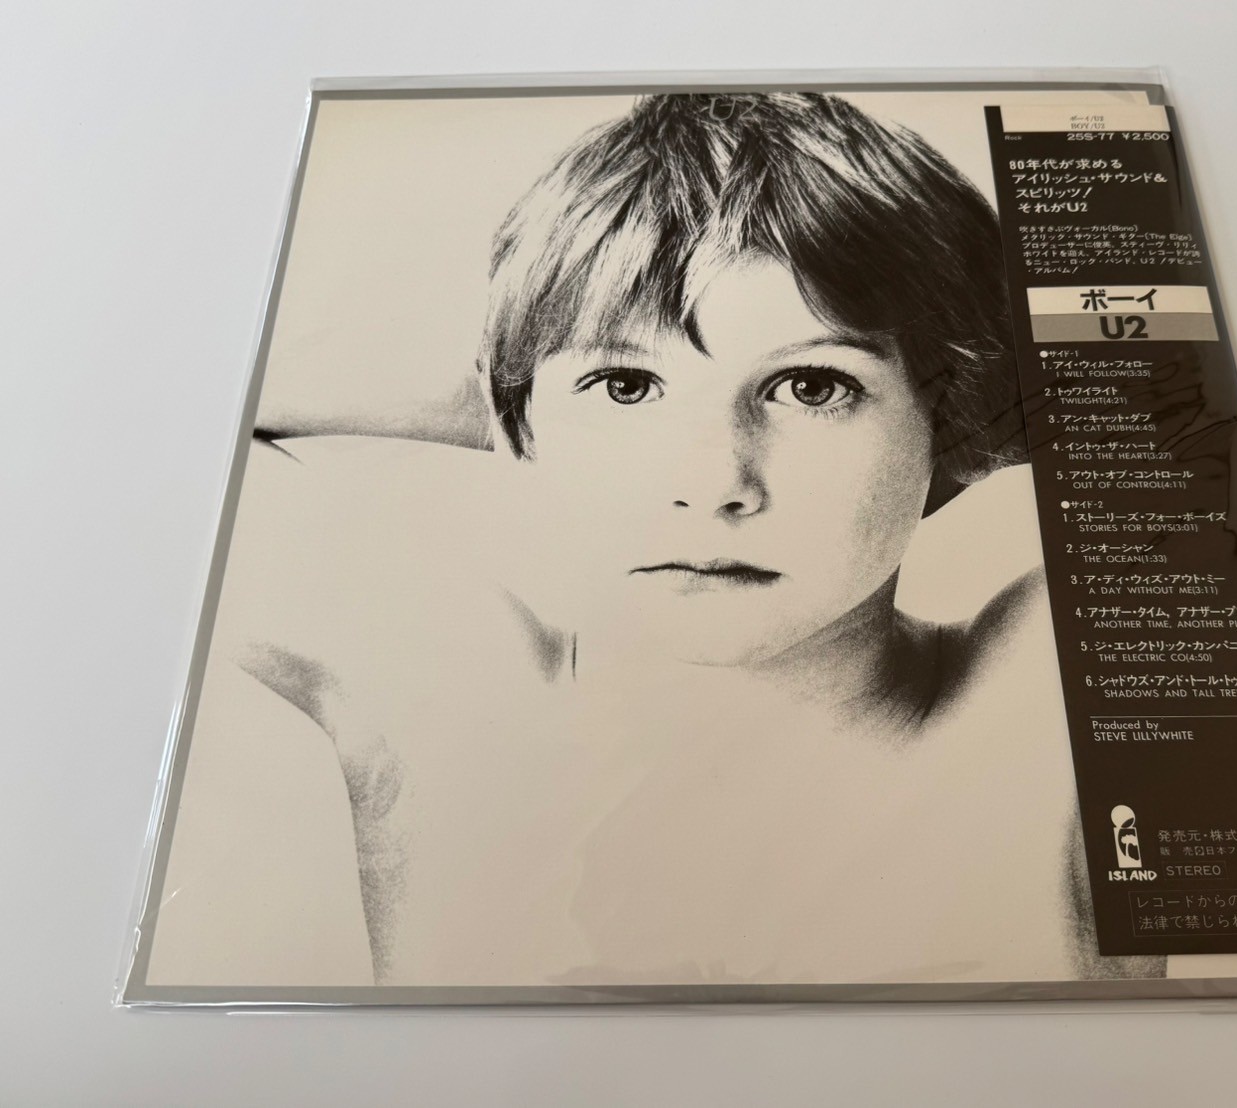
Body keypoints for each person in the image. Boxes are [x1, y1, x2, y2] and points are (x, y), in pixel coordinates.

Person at [147, 92, 1162, 992]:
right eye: (626, 386)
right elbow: (145, 393)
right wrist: (515, 380)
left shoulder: (1035, 700)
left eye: (812, 385)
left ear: (957, 422)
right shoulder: (450, 688)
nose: (713, 484)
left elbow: (1176, 416)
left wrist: (567, 375)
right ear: (512, 421)